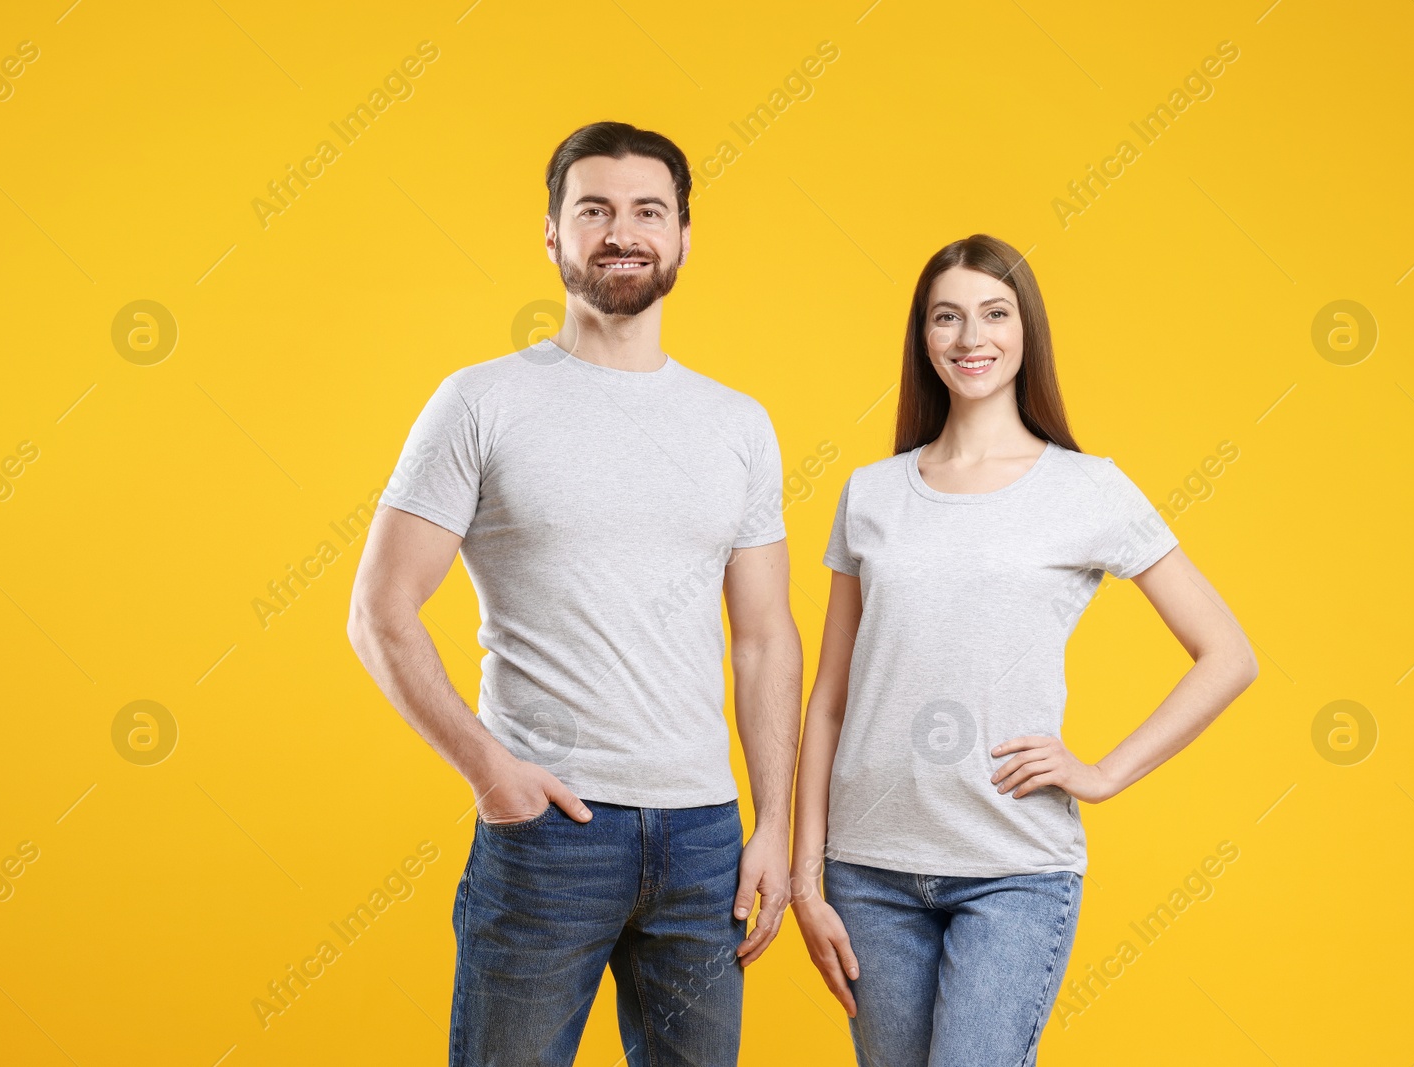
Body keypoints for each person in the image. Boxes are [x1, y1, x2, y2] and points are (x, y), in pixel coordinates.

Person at [346, 121, 802, 1067]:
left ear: (682, 237)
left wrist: (775, 824)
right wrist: (491, 773)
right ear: (552, 235)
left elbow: (763, 638)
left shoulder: (739, 424)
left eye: (648, 211)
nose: (621, 231)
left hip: (707, 840)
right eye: (593, 209)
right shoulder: (480, 403)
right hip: (550, 832)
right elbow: (380, 611)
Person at [789, 233, 1258, 1066]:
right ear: (924, 338)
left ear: (1025, 329)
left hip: (1013, 870)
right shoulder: (871, 492)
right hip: (867, 872)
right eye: (948, 317)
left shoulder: (1087, 488)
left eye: (994, 314)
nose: (972, 339)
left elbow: (1227, 653)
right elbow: (829, 698)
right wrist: (805, 875)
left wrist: (1104, 773)